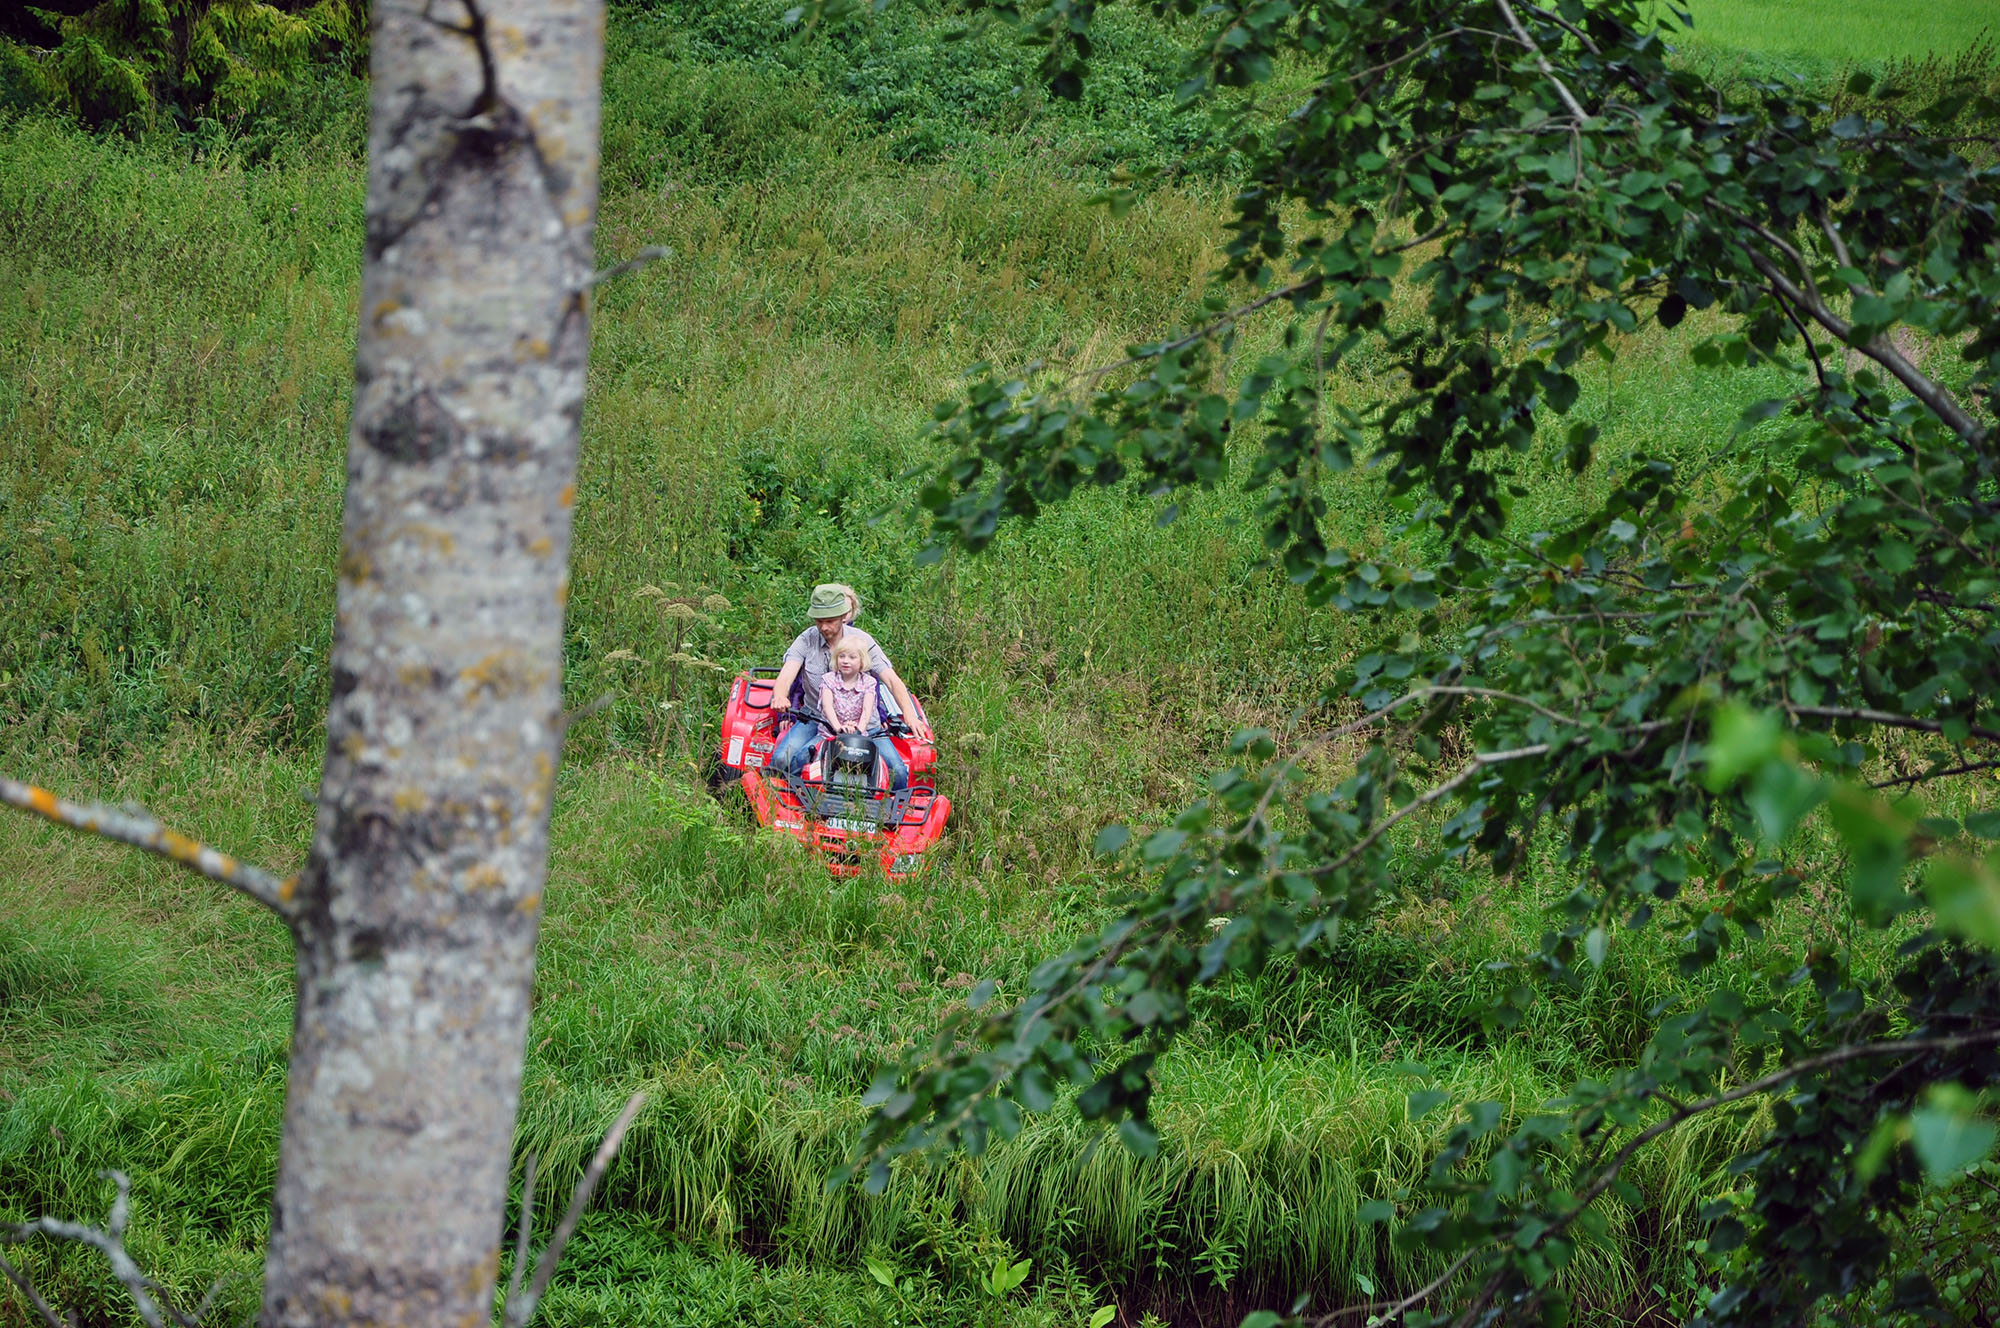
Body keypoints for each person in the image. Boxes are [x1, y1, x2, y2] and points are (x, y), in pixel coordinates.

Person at [768, 582, 928, 778]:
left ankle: (892, 807)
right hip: (816, 718)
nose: (824, 627)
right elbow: (787, 673)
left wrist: (910, 716)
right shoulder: (806, 639)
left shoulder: (863, 642)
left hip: (865, 724)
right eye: (819, 621)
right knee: (781, 760)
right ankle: (787, 801)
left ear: (844, 616)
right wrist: (780, 696)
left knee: (898, 772)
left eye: (830, 621)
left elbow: (891, 680)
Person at [819, 635, 908, 791]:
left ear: (862, 661)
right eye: (842, 656)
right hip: (831, 732)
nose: (846, 661)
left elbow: (867, 709)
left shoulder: (869, 682)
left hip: (865, 733)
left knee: (898, 769)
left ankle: (896, 804)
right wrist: (838, 727)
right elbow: (828, 706)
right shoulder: (828, 679)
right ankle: (801, 799)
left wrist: (859, 728)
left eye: (852, 657)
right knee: (802, 757)